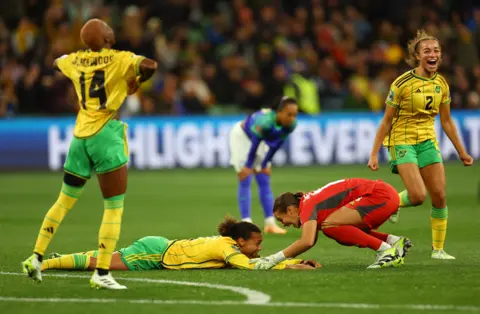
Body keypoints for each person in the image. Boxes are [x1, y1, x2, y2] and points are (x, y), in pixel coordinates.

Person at [21, 18, 158, 289]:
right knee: (113, 207)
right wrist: (137, 80)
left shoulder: (75, 60)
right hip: (106, 133)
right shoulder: (119, 58)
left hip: (79, 136)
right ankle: (102, 272)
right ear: (105, 37)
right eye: (107, 27)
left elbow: (56, 61)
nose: (111, 28)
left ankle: (36, 257)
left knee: (63, 202)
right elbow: (150, 65)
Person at [367, 30, 474, 260]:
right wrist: (374, 153)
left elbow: (446, 120)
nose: (432, 54)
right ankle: (393, 202)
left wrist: (462, 152)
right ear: (417, 56)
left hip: (427, 141)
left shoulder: (442, 85)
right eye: (427, 51)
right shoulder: (402, 84)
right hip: (402, 140)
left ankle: (438, 250)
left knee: (439, 195)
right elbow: (386, 120)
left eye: (436, 50)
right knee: (417, 196)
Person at [41, 218, 321, 271]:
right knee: (99, 263)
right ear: (240, 241)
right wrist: (291, 265)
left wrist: (294, 262)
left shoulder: (229, 245)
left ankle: (57, 257)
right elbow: (253, 266)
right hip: (155, 252)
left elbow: (252, 260)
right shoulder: (227, 249)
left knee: (102, 258)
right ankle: (47, 262)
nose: (260, 248)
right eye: (257, 243)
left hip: (160, 248)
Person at [251, 178, 412, 270]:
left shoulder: (307, 206)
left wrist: (273, 259)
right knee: (338, 226)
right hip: (384, 194)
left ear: (291, 210)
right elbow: (311, 240)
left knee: (330, 226)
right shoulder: (308, 203)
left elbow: (306, 241)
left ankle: (386, 251)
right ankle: (393, 242)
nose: (284, 224)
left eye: (281, 219)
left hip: (380, 196)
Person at [229, 96, 298, 234]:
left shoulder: (291, 125)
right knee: (245, 178)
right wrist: (248, 166)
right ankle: (246, 223)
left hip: (259, 141)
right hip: (242, 137)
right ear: (279, 112)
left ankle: (270, 224)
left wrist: (265, 163)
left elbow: (276, 145)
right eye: (289, 114)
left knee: (264, 178)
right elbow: (254, 145)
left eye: (294, 115)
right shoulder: (265, 122)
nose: (292, 118)